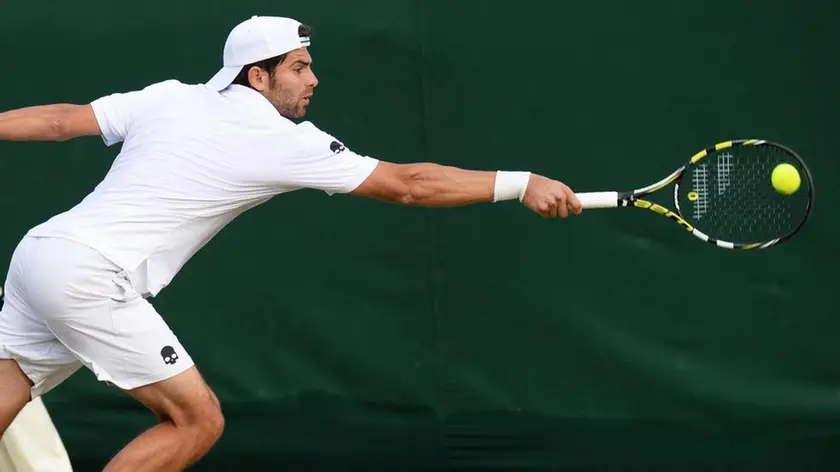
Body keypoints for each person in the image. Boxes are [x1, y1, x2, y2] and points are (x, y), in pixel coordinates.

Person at [0, 15, 583, 472]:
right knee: (196, 422)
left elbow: (58, 120)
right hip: (92, 276)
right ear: (259, 74)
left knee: (11, 385)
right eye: (300, 68)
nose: (314, 80)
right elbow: (410, 185)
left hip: (40, 253)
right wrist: (520, 183)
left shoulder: (169, 96)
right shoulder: (283, 139)